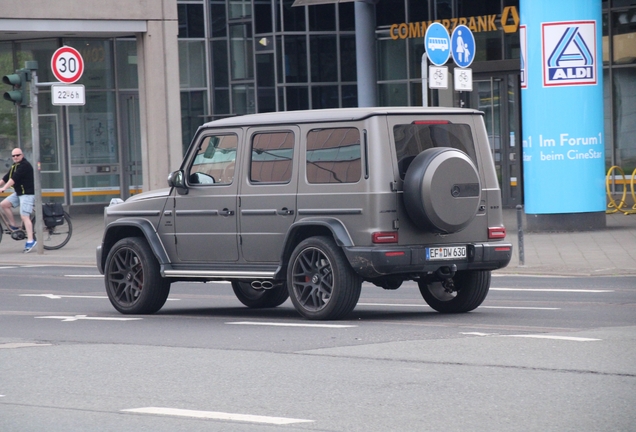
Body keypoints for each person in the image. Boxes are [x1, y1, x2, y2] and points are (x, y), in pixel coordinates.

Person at [0, 148, 36, 253]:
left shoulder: (25, 165)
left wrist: (4, 188)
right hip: (19, 192)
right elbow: (6, 178)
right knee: (4, 204)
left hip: (27, 193)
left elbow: (13, 179)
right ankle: (14, 226)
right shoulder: (14, 166)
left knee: (24, 216)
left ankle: (31, 240)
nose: (15, 157)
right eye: (13, 156)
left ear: (22, 155)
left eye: (18, 155)